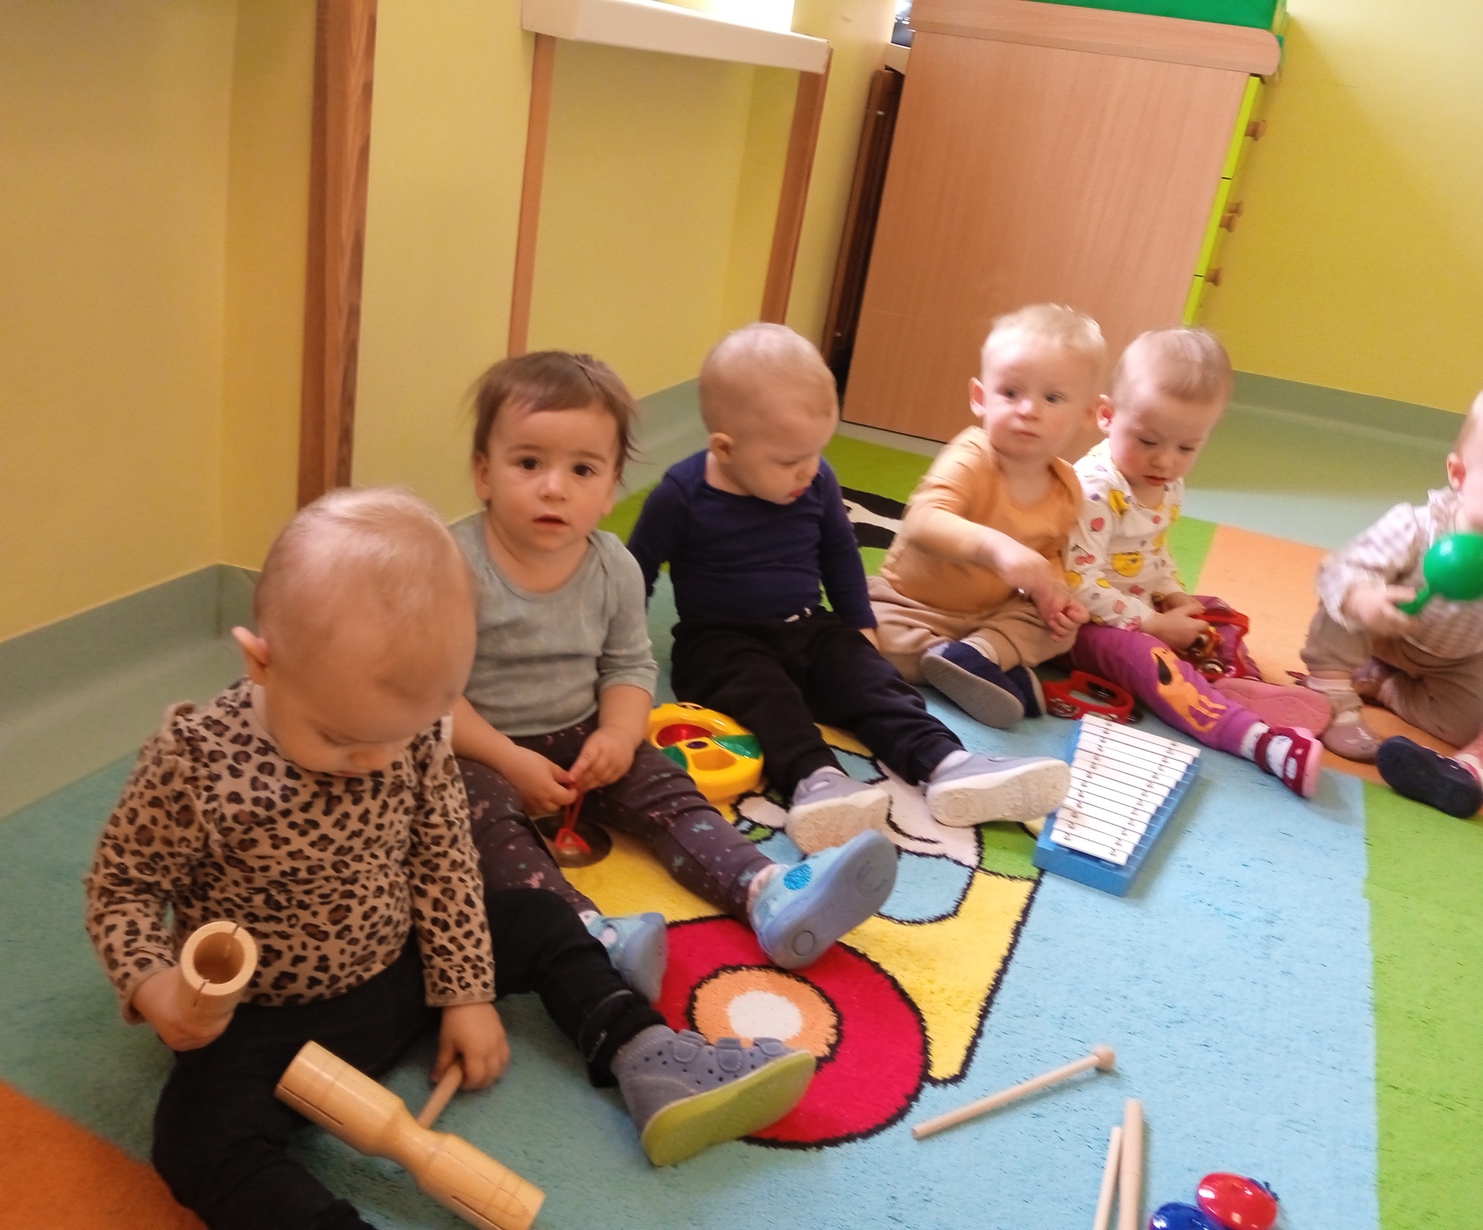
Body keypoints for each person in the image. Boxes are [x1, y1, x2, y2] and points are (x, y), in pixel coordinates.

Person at [84, 488, 816, 1230]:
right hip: (263, 1018)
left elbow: (443, 861)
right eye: (339, 738)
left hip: (401, 968)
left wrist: (464, 992)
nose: (371, 762)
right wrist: (155, 985)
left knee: (537, 916)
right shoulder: (195, 760)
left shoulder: (415, 734)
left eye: (398, 736)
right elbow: (121, 888)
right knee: (193, 1138)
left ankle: (647, 1054)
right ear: (261, 662)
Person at [451, 351, 898, 995]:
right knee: (480, 826)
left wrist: (617, 733)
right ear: (483, 473)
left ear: (612, 488)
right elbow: (431, 696)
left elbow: (629, 664)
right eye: (528, 463)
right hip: (481, 749)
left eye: (582, 469)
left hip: (585, 734)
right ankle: (586, 933)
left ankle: (765, 889)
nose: (554, 487)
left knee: (670, 791)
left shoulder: (613, 566)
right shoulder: (453, 566)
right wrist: (507, 759)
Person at [627, 323, 1071, 854]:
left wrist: (860, 623)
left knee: (872, 681)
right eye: (789, 461)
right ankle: (816, 780)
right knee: (766, 700)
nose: (808, 472)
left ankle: (946, 762)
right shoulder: (681, 495)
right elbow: (636, 571)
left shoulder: (816, 479)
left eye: (816, 453)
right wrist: (620, 654)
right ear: (725, 448)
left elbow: (839, 553)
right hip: (719, 640)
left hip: (808, 624)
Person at [1064, 328, 1324, 798]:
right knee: (1152, 660)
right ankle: (1261, 742)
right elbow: (1077, 582)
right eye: (1147, 440)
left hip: (1138, 608)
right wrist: (1154, 625)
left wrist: (1173, 595)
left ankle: (1236, 682)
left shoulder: (1163, 483)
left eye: (1187, 448)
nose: (1165, 461)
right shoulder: (1096, 489)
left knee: (1216, 612)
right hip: (1081, 625)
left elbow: (1152, 552)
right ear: (1107, 415)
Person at [868, 304, 1104, 727]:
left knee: (1059, 630)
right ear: (980, 398)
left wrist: (1053, 594)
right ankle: (980, 664)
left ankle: (978, 656)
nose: (1028, 409)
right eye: (1010, 393)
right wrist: (998, 549)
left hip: (989, 615)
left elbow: (1048, 553)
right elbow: (922, 520)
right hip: (913, 604)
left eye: (1052, 398)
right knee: (866, 634)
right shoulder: (972, 456)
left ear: (1087, 413)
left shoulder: (1067, 486)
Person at [1298, 392, 1483, 818]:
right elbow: (1335, 571)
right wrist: (1365, 601)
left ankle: (1383, 685)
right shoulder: (1417, 527)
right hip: (1382, 634)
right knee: (1343, 608)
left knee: (1466, 724)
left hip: (1453, 659)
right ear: (1458, 474)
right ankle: (1332, 690)